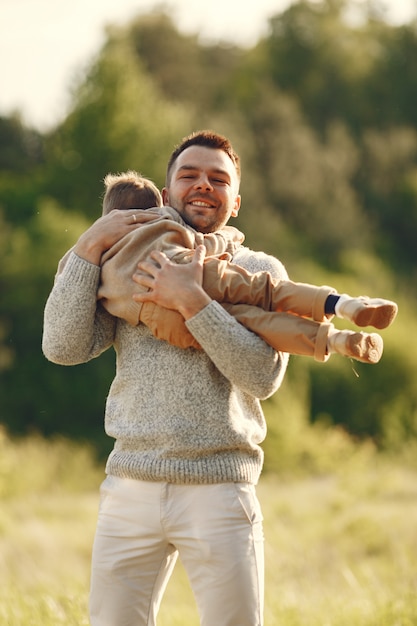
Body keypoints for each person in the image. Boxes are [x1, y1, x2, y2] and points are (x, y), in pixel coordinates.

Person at [40, 130, 386, 626]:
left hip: (221, 489)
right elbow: (62, 347)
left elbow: (262, 376)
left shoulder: (258, 268)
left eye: (218, 179)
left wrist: (191, 301)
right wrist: (88, 245)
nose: (203, 185)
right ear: (165, 194)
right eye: (189, 175)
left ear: (236, 200)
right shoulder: (128, 261)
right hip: (129, 486)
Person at [86, 170, 396, 364]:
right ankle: (344, 305)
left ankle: (337, 342)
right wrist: (229, 238)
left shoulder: (100, 260)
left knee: (252, 323)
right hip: (194, 271)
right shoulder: (160, 225)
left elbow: (76, 284)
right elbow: (203, 247)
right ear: (161, 205)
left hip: (160, 321)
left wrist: (88, 246)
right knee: (268, 292)